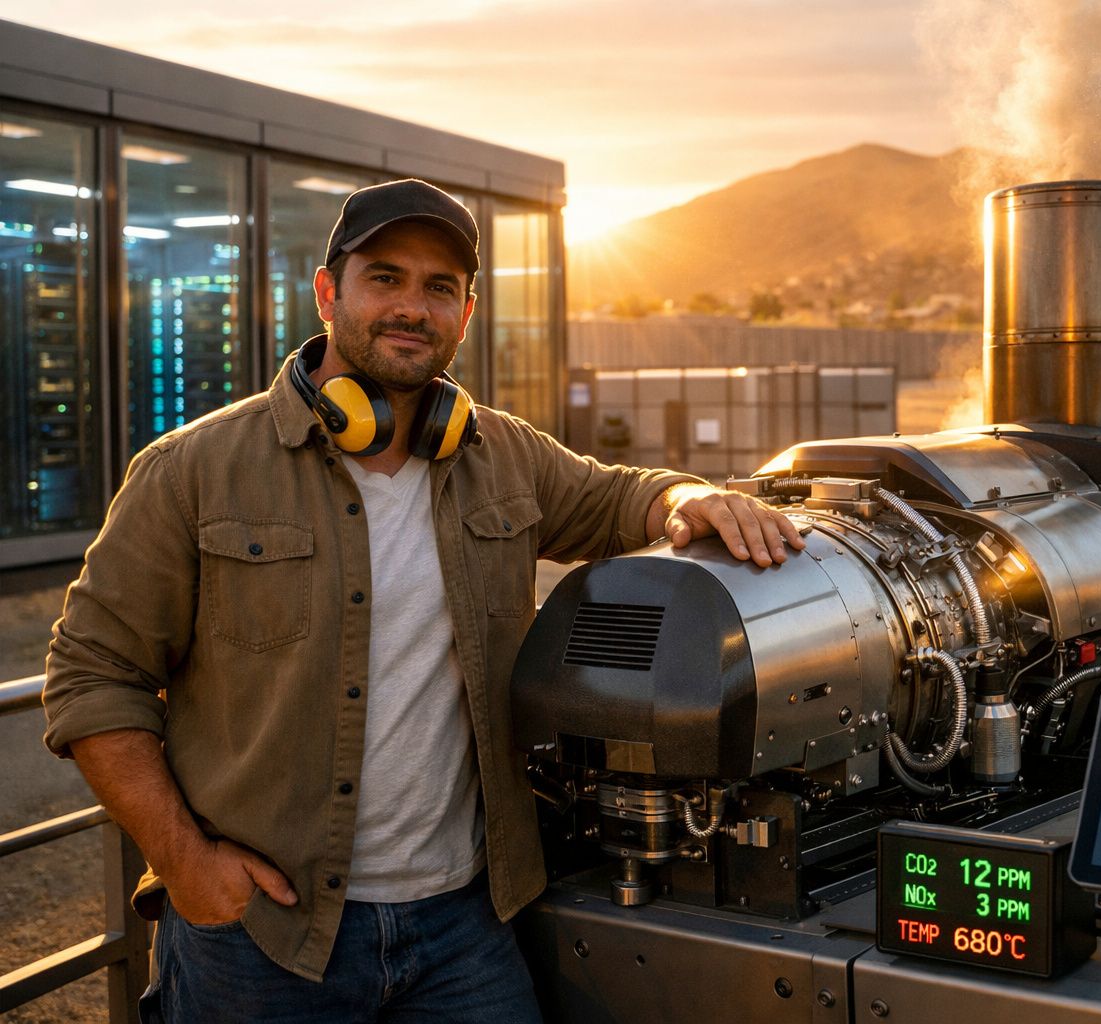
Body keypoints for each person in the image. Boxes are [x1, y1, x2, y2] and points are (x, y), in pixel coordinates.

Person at [42, 178, 804, 1023]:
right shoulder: (191, 471)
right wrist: (186, 864)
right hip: (262, 936)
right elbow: (91, 676)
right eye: (385, 278)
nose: (412, 306)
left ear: (465, 315)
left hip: (465, 925)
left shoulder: (504, 455)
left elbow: (624, 495)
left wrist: (689, 498)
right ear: (328, 292)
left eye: (439, 287)